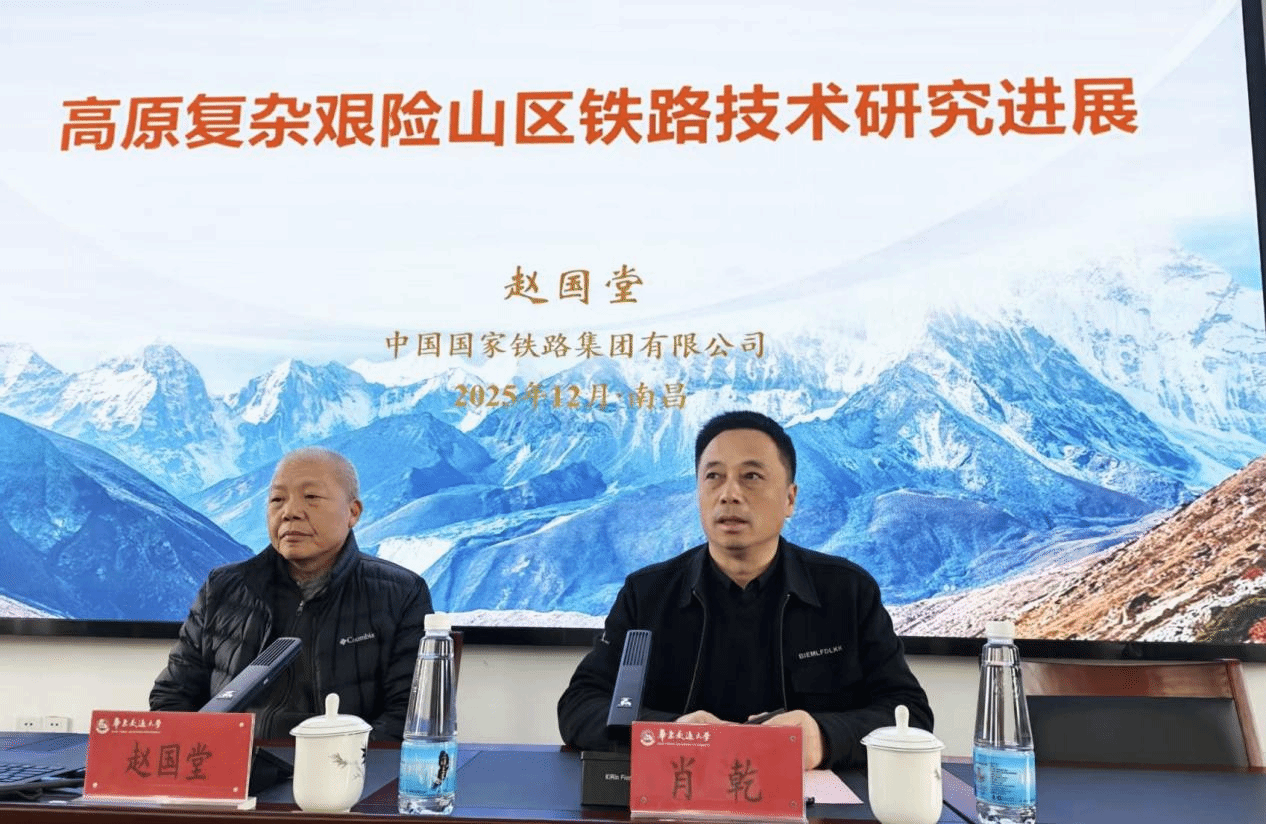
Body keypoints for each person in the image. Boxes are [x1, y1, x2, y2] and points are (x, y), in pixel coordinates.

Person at [557, 410, 932, 769]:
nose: (729, 494)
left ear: (789, 499)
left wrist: (824, 737)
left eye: (751, 476)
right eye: (714, 476)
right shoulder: (647, 594)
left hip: (812, 798)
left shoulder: (847, 591)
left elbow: (909, 712)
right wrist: (670, 732)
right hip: (679, 793)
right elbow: (581, 704)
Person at [150, 446, 432, 740]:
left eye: (311, 497)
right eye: (277, 500)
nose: (290, 512)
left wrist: (336, 759)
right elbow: (171, 697)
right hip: (234, 763)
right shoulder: (223, 588)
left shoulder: (400, 593)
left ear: (353, 512)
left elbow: (410, 715)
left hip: (342, 764)